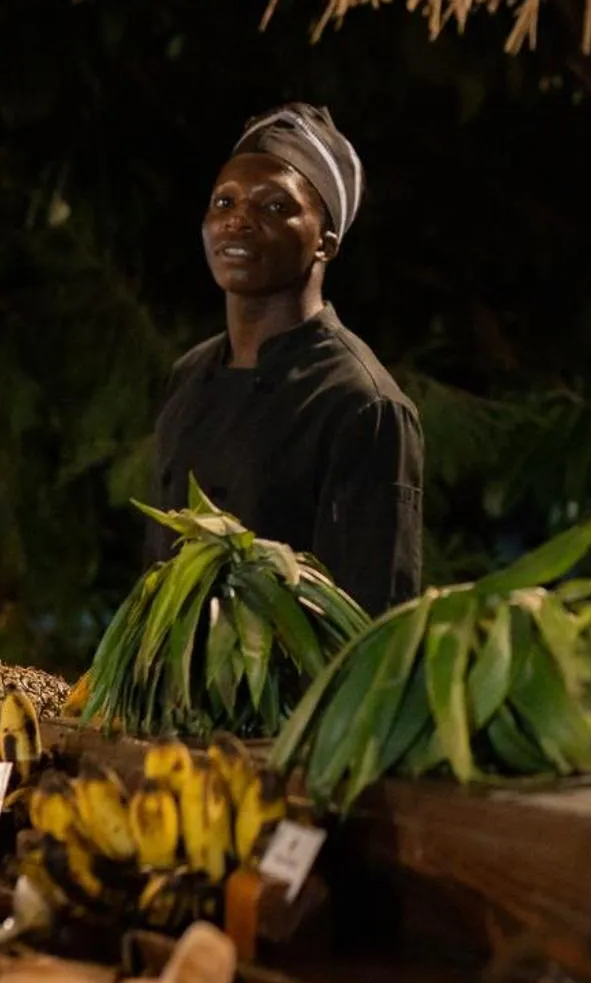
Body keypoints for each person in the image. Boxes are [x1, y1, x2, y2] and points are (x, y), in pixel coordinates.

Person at [149, 104, 423, 614]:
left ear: (327, 242)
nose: (239, 221)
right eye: (223, 202)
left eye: (275, 207)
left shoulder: (363, 406)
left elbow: (371, 629)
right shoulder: (188, 378)